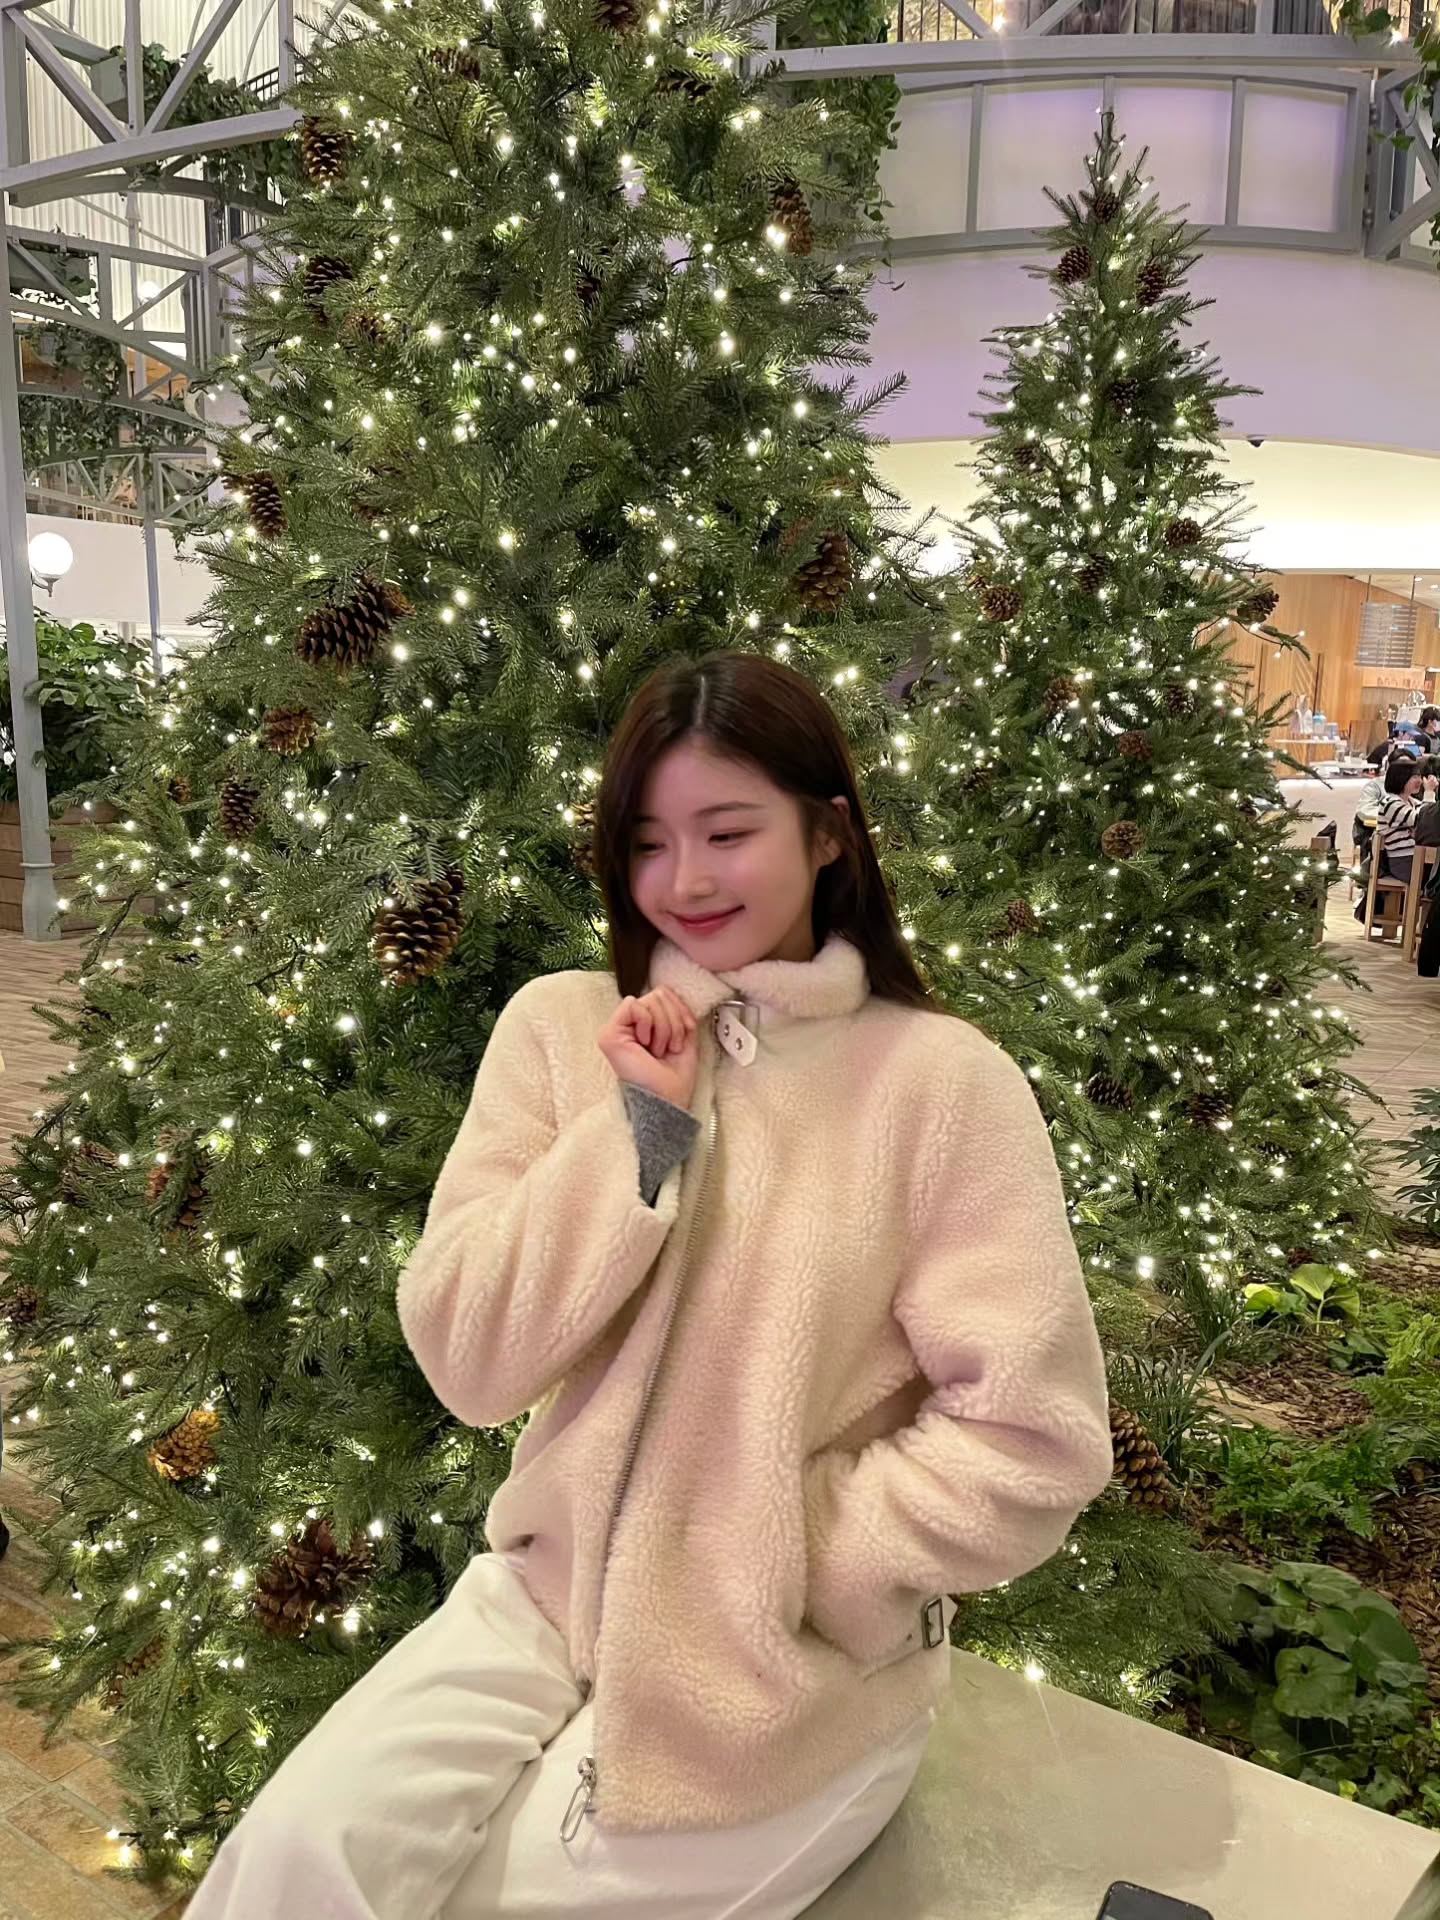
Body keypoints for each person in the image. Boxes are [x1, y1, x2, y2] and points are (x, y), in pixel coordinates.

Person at [187, 652, 1113, 1920]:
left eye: (728, 832)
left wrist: (791, 1557)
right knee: (294, 1866)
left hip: (781, 1673)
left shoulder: (941, 1085)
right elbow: (466, 1356)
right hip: (543, 1599)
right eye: (647, 842)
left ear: (828, 833)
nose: (685, 881)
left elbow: (1031, 1438)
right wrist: (640, 1126)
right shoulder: (561, 1029)